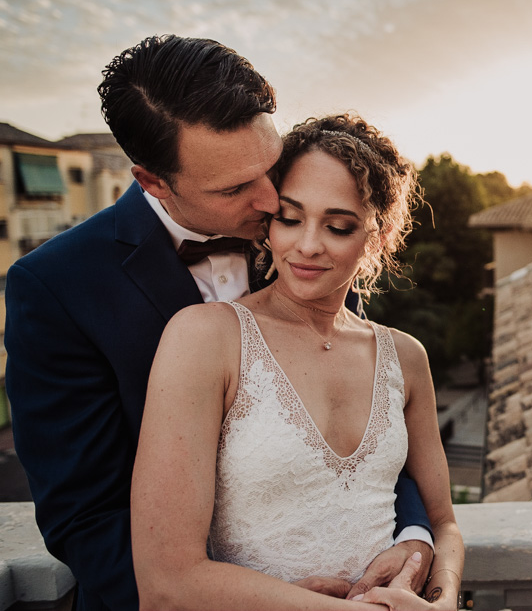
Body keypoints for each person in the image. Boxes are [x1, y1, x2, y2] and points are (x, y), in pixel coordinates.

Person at [3, 35, 433, 611]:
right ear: (153, 181)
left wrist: (415, 536)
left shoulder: (298, 234)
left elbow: (368, 428)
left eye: (270, 165)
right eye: (234, 188)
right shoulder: (55, 287)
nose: (269, 199)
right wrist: (257, 601)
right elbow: (85, 517)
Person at [131, 114, 464, 610]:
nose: (307, 245)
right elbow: (166, 582)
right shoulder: (206, 336)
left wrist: (441, 600)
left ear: (378, 234)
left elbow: (443, 524)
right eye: (289, 218)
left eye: (338, 226)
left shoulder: (406, 357)